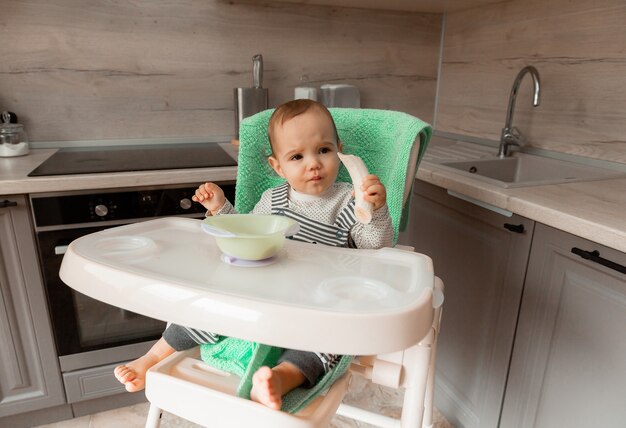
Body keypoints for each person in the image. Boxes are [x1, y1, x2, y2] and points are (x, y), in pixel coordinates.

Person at [114, 99, 393, 410]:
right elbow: (245, 233)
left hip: (320, 303)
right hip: (266, 292)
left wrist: (375, 210)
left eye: (324, 150)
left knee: (335, 340)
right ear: (278, 166)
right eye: (297, 156)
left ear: (339, 150)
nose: (313, 163)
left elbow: (375, 251)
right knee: (209, 305)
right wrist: (219, 208)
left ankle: (279, 378)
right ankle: (151, 358)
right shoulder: (273, 200)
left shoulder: (347, 201)